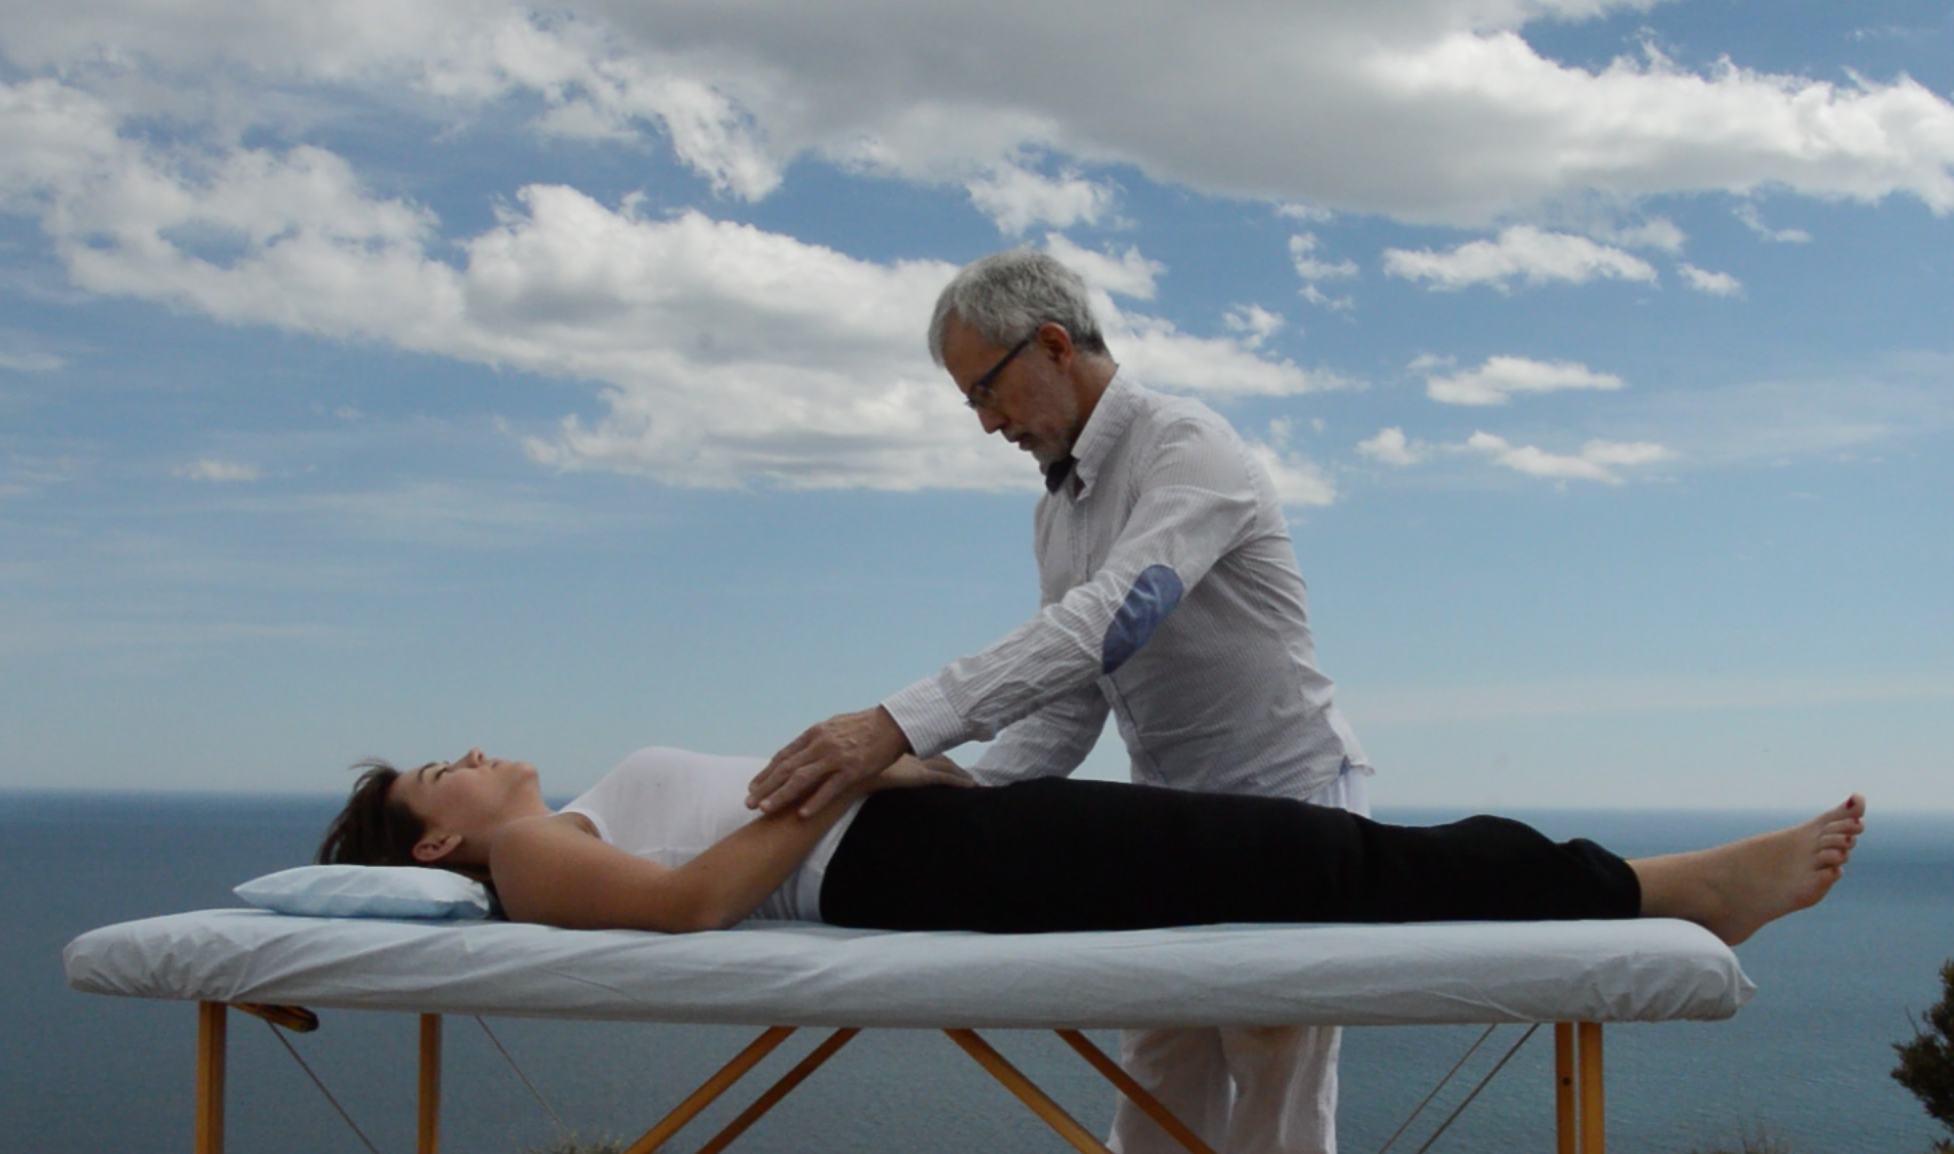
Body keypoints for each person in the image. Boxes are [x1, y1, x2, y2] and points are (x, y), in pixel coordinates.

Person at [743, 249, 1375, 1154]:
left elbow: (1114, 620)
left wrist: (893, 726)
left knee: (1274, 1076)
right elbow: (1069, 704)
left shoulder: (1188, 447)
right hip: (1169, 823)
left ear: (1052, 345)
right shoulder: (1058, 512)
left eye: (987, 393)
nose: (987, 423)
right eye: (971, 402)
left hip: (1289, 798)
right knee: (1156, 1075)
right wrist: (958, 795)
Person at [317, 746, 1865, 956]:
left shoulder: (568, 801)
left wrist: (892, 762)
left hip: (928, 831)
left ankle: (1649, 888)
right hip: (913, 868)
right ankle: (1668, 890)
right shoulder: (528, 858)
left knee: (1313, 853)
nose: (474, 745)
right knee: (1316, 864)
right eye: (442, 765)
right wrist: (830, 787)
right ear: (437, 833)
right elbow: (682, 910)